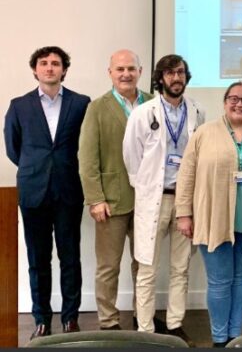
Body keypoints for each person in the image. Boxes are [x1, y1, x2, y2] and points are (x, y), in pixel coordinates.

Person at [175, 82, 242, 347]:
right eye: (234, 98)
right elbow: (186, 175)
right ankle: (219, 339)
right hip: (214, 217)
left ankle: (236, 336)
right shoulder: (204, 133)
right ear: (224, 102)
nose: (239, 104)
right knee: (219, 281)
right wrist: (184, 214)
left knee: (239, 278)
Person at [4, 46, 90, 339]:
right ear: (35, 70)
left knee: (70, 258)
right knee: (38, 260)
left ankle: (70, 319)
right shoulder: (19, 105)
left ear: (64, 70)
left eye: (56, 63)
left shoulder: (81, 103)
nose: (50, 67)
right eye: (44, 63)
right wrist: (36, 167)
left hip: (69, 190)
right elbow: (13, 147)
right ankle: (41, 319)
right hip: (33, 191)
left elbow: (87, 145)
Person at [123, 54, 205, 346]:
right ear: (160, 78)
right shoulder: (143, 113)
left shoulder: (197, 111)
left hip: (185, 202)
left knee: (180, 267)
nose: (176, 78)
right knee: (147, 267)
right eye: (170, 73)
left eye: (180, 72)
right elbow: (131, 158)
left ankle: (174, 324)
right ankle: (145, 329)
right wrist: (146, 188)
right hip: (153, 199)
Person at [78, 49, 158, 331]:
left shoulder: (154, 103)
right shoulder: (97, 108)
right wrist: (95, 198)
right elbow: (87, 158)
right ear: (110, 72)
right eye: (120, 69)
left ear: (140, 71)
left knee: (144, 264)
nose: (126, 74)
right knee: (108, 266)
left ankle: (142, 315)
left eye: (131, 69)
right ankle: (108, 320)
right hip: (111, 201)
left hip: (148, 199)